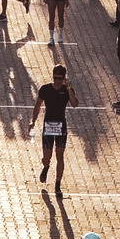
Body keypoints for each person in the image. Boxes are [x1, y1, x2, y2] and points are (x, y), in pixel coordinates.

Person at [31, 63, 79, 195]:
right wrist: (33, 121)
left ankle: (58, 184)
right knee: (46, 157)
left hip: (61, 126)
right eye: (55, 78)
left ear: (64, 78)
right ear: (52, 76)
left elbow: (74, 104)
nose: (57, 81)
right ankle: (46, 166)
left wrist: (69, 88)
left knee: (60, 156)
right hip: (48, 125)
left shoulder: (67, 89)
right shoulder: (45, 89)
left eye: (60, 79)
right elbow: (37, 105)